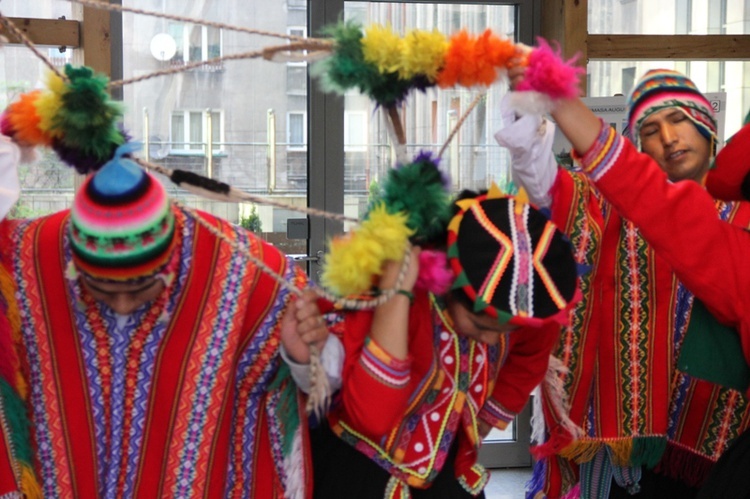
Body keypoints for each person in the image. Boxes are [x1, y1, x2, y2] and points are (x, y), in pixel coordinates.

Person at [0, 137, 343, 498]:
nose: (121, 305)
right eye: (100, 290)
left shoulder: (250, 273)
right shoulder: (26, 263)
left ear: (172, 260)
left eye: (140, 288)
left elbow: (332, 390)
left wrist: (305, 357)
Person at [496, 68, 750, 498]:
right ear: (638, 146)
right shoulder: (612, 203)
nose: (669, 137)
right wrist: (528, 115)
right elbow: (550, 188)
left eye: (680, 119)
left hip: (722, 438)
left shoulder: (741, 218)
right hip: (633, 447)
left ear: (708, 127)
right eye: (651, 129)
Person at [311, 187, 581, 498]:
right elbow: (372, 416)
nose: (492, 340)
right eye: (480, 325)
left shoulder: (520, 303)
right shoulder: (394, 297)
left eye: (504, 332)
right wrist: (396, 296)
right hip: (358, 465)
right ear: (449, 280)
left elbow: (532, 352)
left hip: (446, 467)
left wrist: (479, 426)